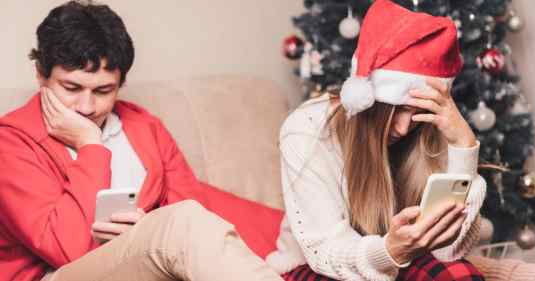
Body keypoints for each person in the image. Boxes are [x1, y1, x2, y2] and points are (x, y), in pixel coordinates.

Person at [0, 1, 283, 281]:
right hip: (56, 275)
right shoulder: (11, 142)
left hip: (145, 269)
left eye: (103, 90)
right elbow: (67, 250)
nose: (86, 107)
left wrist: (142, 233)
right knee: (181, 224)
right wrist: (90, 145)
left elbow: (193, 211)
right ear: (41, 76)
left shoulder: (143, 127)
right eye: (71, 88)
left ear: (120, 84)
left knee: (188, 222)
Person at [265, 1, 487, 280]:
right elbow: (326, 250)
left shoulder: (431, 127)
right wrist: (390, 251)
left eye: (416, 112)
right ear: (368, 99)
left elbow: (448, 253)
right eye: (398, 110)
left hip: (399, 262)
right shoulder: (308, 130)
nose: (405, 128)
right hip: (320, 267)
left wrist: (464, 148)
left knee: (458, 274)